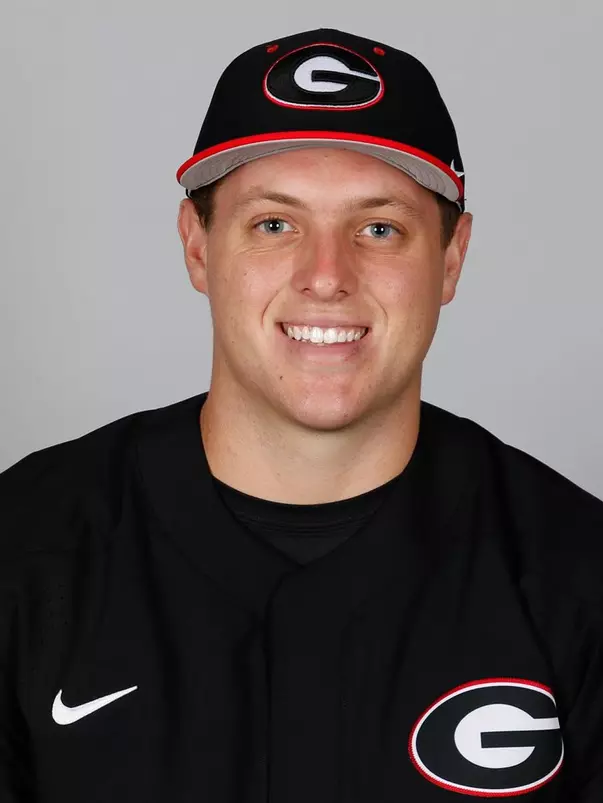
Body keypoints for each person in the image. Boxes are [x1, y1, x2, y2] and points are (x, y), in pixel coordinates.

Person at [1, 26, 602, 803]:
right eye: (274, 224)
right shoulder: (27, 547)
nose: (326, 276)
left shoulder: (575, 572)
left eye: (378, 227)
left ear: (449, 260)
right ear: (197, 246)